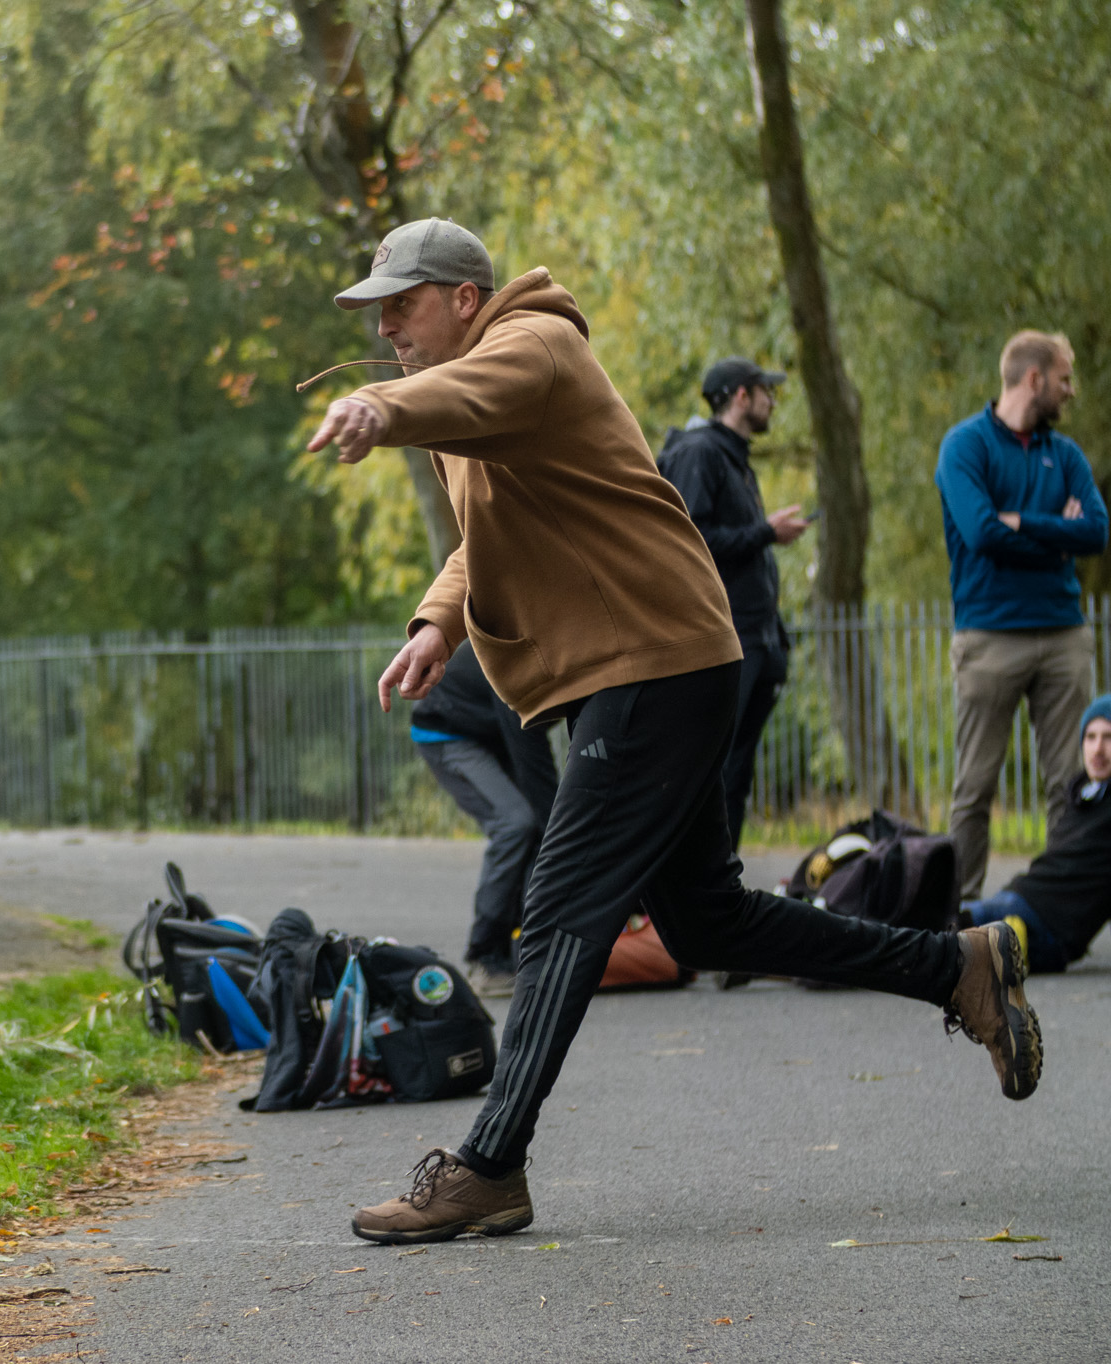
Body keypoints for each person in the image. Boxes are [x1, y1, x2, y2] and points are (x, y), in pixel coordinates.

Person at [304, 217, 1041, 1246]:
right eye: (374, 313)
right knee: (705, 920)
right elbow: (488, 534)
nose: (385, 326)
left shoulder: (531, 347)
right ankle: (954, 965)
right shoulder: (473, 392)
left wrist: (379, 405)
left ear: (463, 297)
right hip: (648, 662)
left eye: (402, 302)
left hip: (649, 657)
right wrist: (437, 621)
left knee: (561, 903)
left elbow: (465, 394)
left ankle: (487, 1162)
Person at [936, 331, 1108, 899]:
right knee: (976, 787)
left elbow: (1097, 532)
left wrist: (1025, 523)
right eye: (1064, 379)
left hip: (1063, 634)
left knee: (1071, 783)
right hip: (989, 637)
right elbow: (981, 532)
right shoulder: (965, 446)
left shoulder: (1067, 454)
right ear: (1034, 379)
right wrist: (1059, 533)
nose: (1070, 391)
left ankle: (1057, 912)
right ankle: (955, 919)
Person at [657, 358, 811, 848]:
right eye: (767, 391)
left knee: (737, 770)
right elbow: (688, 538)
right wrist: (767, 532)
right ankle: (695, 897)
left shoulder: (733, 456)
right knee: (713, 770)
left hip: (757, 638)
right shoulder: (700, 453)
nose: (773, 402)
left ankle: (726, 893)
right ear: (742, 396)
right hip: (722, 640)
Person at [409, 639, 558, 997]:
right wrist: (561, 823)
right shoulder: (528, 660)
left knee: (539, 827)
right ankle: (485, 957)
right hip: (446, 730)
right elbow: (530, 750)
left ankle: (523, 950)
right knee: (516, 823)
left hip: (487, 732)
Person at [965, 696, 1111, 974]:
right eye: (1090, 737)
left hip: (1047, 929)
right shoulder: (1081, 794)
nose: (1098, 749)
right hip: (1018, 898)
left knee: (941, 927)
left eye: (1108, 737)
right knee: (936, 919)